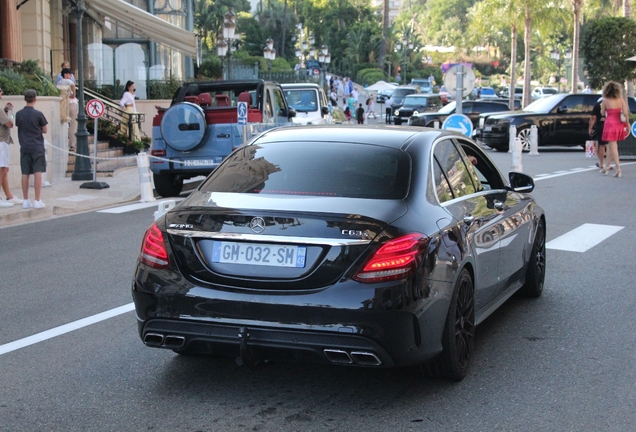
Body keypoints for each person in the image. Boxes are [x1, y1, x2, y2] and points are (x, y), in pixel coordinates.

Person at [15, 89, 48, 209]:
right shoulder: (38, 114)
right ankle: (37, 200)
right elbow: (45, 129)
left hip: (24, 146)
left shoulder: (19, 114)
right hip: (37, 146)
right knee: (37, 171)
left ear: (24, 99)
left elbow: (17, 124)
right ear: (35, 99)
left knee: (25, 173)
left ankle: (25, 200)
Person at [600, 81, 629, 177]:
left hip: (609, 124)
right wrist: (627, 125)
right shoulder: (621, 100)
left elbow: (602, 113)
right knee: (611, 146)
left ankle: (618, 168)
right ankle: (607, 166)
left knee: (613, 147)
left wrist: (603, 108)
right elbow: (625, 113)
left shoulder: (605, 100)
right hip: (619, 124)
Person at [0, 87, 21, 208]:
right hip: (1, 142)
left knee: (4, 170)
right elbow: (10, 124)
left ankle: (9, 196)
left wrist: (6, 111)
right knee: (2, 169)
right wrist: (11, 113)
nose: (2, 92)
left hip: (3, 142)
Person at [57, 68, 78, 152]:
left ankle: (63, 143)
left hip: (62, 104)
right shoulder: (67, 81)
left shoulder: (59, 83)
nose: (71, 76)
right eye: (69, 74)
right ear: (65, 75)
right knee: (73, 124)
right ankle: (72, 144)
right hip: (71, 103)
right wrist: (74, 94)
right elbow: (73, 85)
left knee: (63, 124)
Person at [589, 98, 608, 170]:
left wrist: (590, 128)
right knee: (610, 145)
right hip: (612, 125)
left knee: (601, 145)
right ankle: (608, 163)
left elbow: (593, 117)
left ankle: (601, 163)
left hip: (601, 125)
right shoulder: (615, 101)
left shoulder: (599, 103)